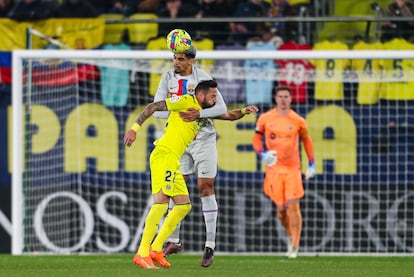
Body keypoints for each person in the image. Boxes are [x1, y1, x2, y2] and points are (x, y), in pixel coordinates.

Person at [153, 44, 256, 267]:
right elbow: (158, 111)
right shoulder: (167, 78)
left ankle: (210, 244)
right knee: (173, 188)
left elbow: (221, 108)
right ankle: (174, 240)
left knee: (205, 188)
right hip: (179, 141)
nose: (176, 63)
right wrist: (177, 106)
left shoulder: (203, 78)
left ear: (191, 60)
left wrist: (198, 113)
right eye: (174, 58)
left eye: (180, 59)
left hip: (203, 140)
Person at [124, 79, 218, 270]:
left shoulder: (200, 113)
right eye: (213, 96)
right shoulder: (184, 101)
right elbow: (153, 106)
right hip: (164, 155)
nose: (216, 99)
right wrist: (134, 129)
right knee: (161, 202)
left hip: (174, 160)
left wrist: (242, 112)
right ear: (201, 96)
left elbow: (227, 114)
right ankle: (142, 253)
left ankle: (156, 249)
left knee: (184, 205)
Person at [252, 86, 315, 259]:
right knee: (280, 210)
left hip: (292, 169)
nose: (283, 99)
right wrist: (262, 154)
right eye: (280, 96)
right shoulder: (265, 118)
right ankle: (289, 235)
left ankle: (295, 244)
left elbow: (307, 141)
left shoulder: (298, 120)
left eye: (286, 96)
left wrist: (311, 164)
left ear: (291, 99)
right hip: (273, 170)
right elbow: (256, 138)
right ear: (275, 98)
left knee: (293, 206)